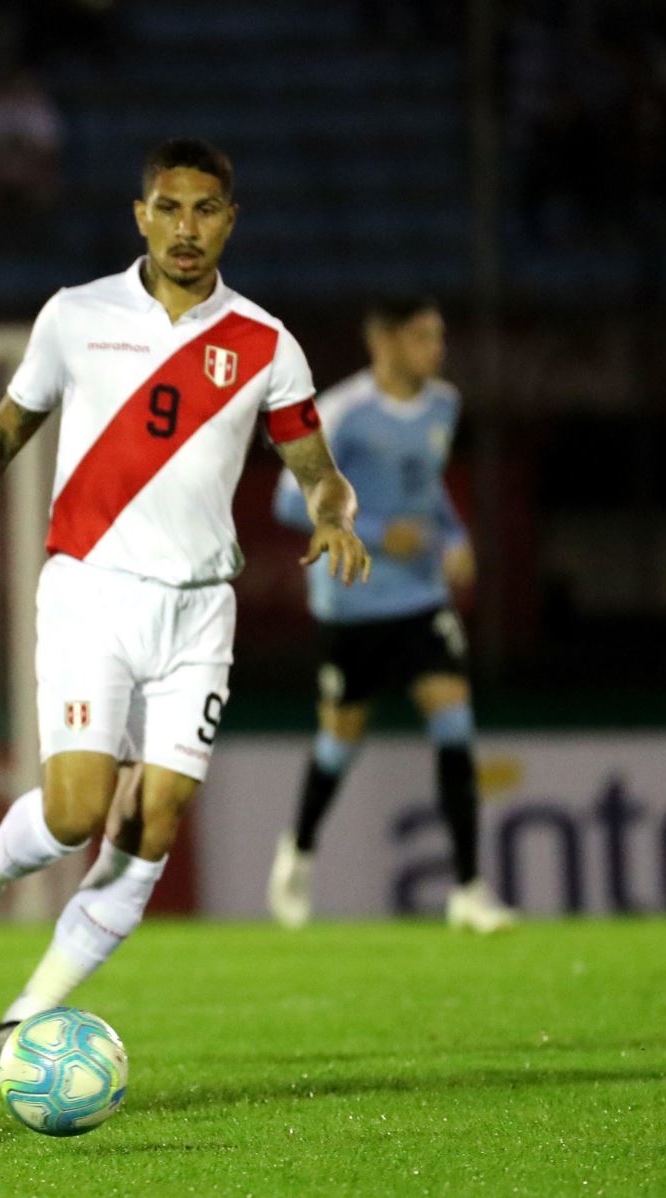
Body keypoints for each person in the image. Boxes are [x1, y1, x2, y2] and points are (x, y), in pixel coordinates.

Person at [0, 138, 370, 1064]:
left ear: (230, 220)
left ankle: (26, 1018)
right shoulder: (77, 316)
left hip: (200, 608)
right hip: (92, 592)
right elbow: (11, 421)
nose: (186, 227)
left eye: (205, 209)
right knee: (77, 811)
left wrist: (335, 515)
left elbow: (317, 467)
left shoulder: (266, 344)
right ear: (140, 215)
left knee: (150, 825)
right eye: (169, 207)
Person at [268, 297, 517, 934]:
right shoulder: (343, 412)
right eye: (422, 337)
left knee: (455, 720)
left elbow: (426, 485)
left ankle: (467, 889)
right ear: (383, 341)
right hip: (354, 602)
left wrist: (455, 534)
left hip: (421, 600)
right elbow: (290, 503)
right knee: (340, 741)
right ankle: (297, 850)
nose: (435, 350)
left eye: (439, 336)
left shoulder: (444, 405)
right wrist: (377, 534)